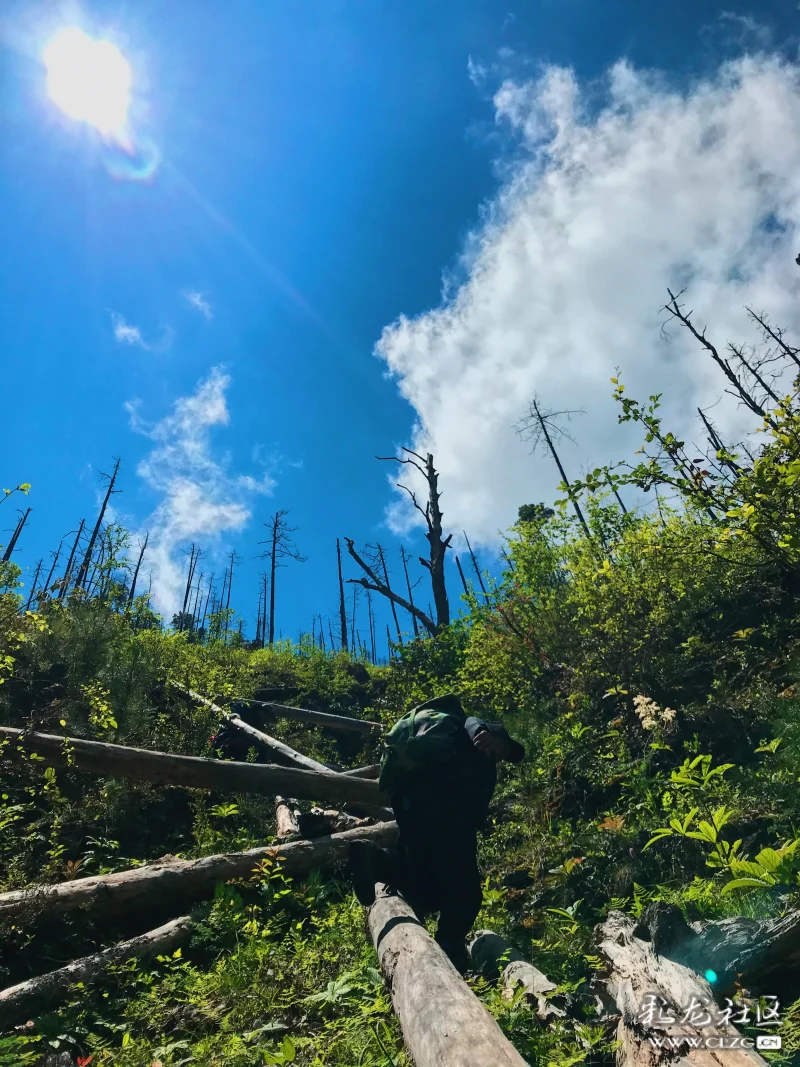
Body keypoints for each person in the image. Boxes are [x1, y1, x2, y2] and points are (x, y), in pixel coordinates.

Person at [349, 693, 525, 974]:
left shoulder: (432, 737)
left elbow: (515, 754)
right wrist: (487, 734)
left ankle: (375, 859)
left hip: (407, 800)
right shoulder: (475, 727)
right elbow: (480, 728)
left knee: (423, 881)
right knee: (465, 895)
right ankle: (449, 952)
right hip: (447, 804)